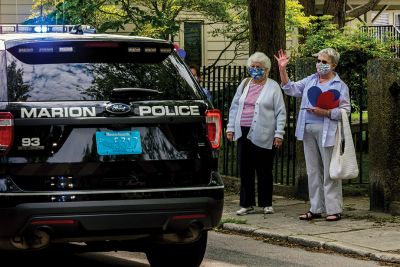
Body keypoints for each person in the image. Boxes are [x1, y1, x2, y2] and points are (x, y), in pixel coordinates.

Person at [274, 48, 351, 222]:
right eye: (319, 61)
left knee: (329, 171)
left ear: (333, 65)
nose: (320, 64)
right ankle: (315, 208)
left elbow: (345, 110)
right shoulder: (311, 80)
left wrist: (325, 112)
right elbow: (290, 88)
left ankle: (333, 209)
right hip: (308, 130)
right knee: (313, 170)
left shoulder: (340, 86)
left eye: (324, 62)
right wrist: (282, 69)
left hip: (327, 131)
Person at [226, 52, 286, 216]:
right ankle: (246, 204)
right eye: (252, 67)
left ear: (266, 70)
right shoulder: (245, 84)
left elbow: (281, 112)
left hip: (264, 133)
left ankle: (266, 203)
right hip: (243, 131)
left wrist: (279, 133)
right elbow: (235, 106)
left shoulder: (273, 86)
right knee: (245, 169)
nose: (255, 70)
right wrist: (230, 128)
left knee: (264, 169)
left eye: (258, 67)